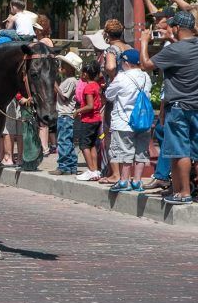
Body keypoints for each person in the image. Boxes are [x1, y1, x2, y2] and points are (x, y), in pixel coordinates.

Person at [141, 11, 198, 205]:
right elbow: (184, 53)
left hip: (179, 107)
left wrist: (143, 42)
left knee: (179, 151)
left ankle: (183, 193)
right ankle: (184, 190)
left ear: (176, 28)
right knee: (195, 151)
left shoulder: (174, 51)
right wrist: (173, 39)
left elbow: (146, 64)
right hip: (196, 105)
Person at [104, 49, 153, 193]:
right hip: (143, 121)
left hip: (124, 121)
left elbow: (109, 95)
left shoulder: (122, 77)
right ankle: (137, 181)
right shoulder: (146, 77)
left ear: (126, 63)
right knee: (141, 152)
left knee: (125, 152)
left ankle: (124, 180)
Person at [49, 52, 82, 176]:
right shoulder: (69, 80)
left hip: (65, 115)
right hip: (65, 114)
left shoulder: (71, 81)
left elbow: (64, 97)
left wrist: (54, 84)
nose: (61, 66)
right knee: (67, 141)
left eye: (64, 64)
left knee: (63, 141)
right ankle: (71, 165)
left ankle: (64, 166)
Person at [74, 61, 104, 181]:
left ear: (85, 74)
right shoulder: (96, 85)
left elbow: (90, 106)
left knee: (84, 145)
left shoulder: (88, 87)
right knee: (92, 145)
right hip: (97, 119)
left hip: (88, 120)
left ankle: (91, 170)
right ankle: (95, 170)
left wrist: (78, 111)